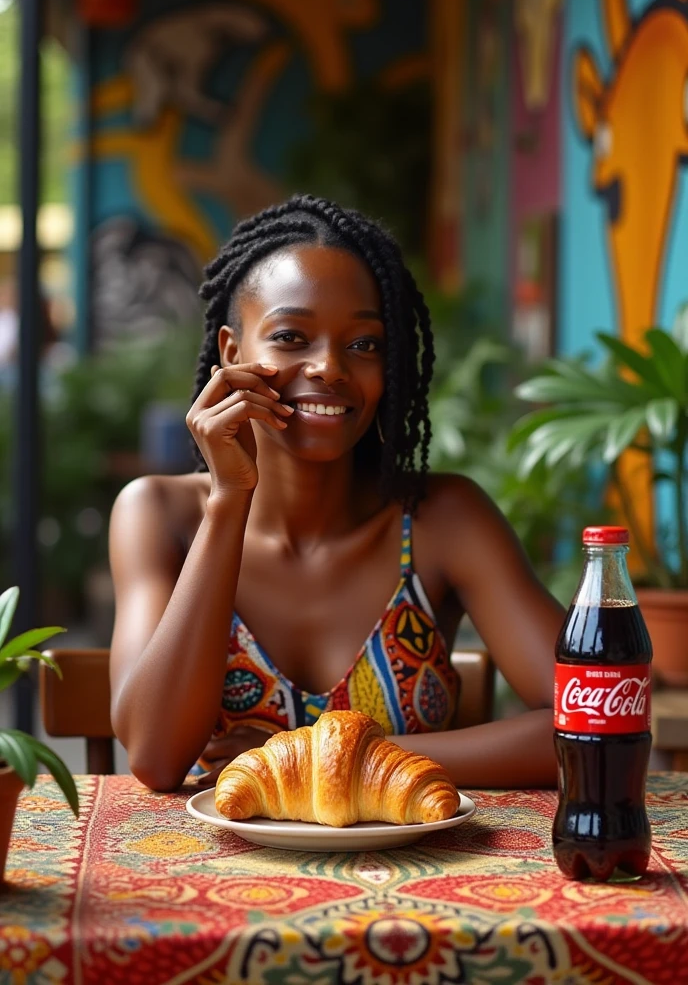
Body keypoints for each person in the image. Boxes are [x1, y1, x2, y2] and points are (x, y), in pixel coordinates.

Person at [109, 195, 564, 794]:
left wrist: (310, 755)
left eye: (364, 344)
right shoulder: (159, 514)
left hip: (422, 878)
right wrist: (229, 501)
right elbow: (156, 756)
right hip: (210, 877)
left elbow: (590, 723)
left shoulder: (442, 520)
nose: (328, 366)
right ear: (231, 352)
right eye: (292, 336)